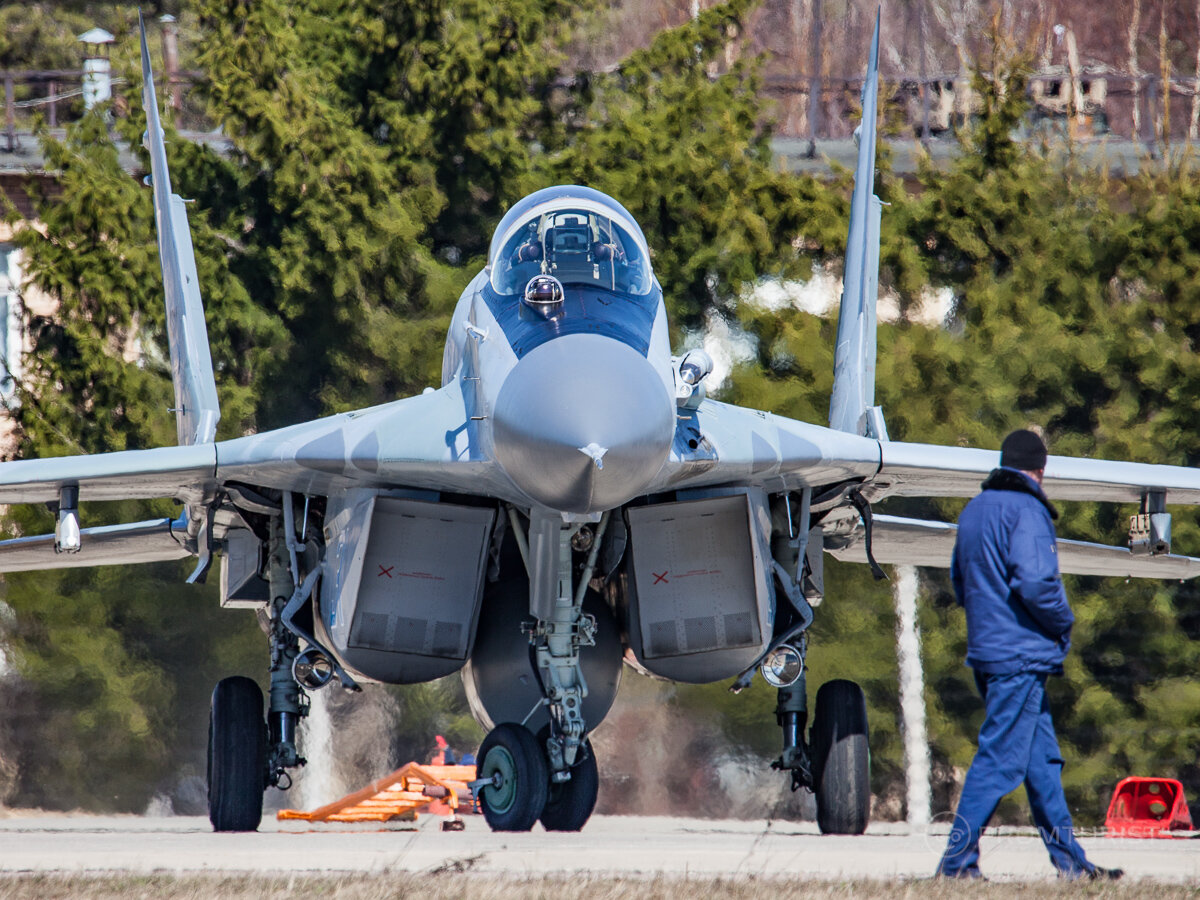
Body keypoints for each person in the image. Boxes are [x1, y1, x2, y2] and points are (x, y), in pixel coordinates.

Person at [936, 429, 1122, 881]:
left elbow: (960, 581)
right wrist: (1064, 620)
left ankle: (1072, 867)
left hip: (989, 650)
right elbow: (1036, 582)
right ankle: (956, 864)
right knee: (998, 760)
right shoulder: (1028, 510)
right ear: (1041, 470)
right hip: (1020, 655)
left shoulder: (975, 510)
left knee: (1042, 766)